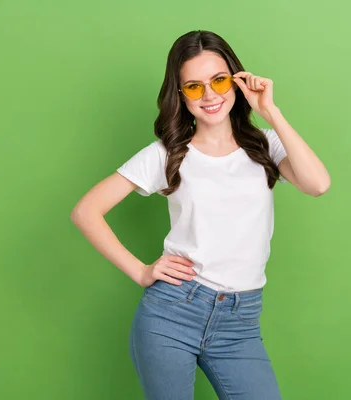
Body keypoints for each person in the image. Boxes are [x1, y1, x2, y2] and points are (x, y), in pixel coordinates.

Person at [71, 29, 330, 400]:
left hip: (241, 323)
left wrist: (270, 111)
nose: (209, 95)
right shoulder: (167, 154)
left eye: (219, 81)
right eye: (194, 87)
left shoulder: (265, 145)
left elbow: (317, 184)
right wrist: (141, 271)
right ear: (180, 95)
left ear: (236, 82)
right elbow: (86, 211)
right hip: (173, 313)